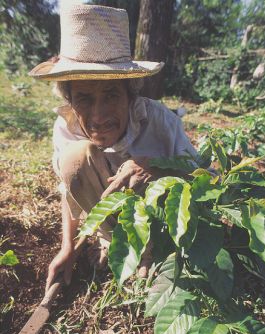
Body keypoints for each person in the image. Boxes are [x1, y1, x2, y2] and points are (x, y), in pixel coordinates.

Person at [30, 3, 199, 292]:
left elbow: (200, 176)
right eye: (84, 98)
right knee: (73, 160)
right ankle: (113, 240)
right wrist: (68, 247)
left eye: (111, 94)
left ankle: (151, 250)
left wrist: (154, 168)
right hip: (111, 220)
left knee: (141, 173)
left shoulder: (159, 121)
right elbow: (69, 190)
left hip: (161, 226)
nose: (98, 116)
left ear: (130, 94)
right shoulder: (65, 127)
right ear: (70, 99)